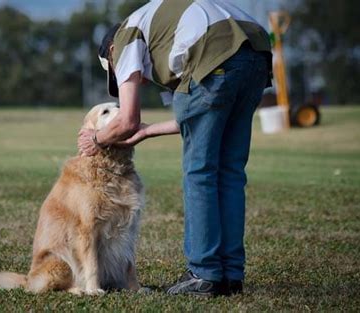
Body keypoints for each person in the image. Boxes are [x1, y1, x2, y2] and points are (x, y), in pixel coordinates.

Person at [77, 0, 272, 297]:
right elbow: (190, 117)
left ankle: (205, 274)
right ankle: (231, 275)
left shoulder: (125, 36)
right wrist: (146, 132)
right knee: (230, 172)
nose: (135, 80)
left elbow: (128, 119)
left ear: (112, 55)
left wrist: (97, 139)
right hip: (255, 52)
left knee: (200, 172)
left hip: (214, 55)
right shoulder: (166, 40)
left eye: (119, 75)